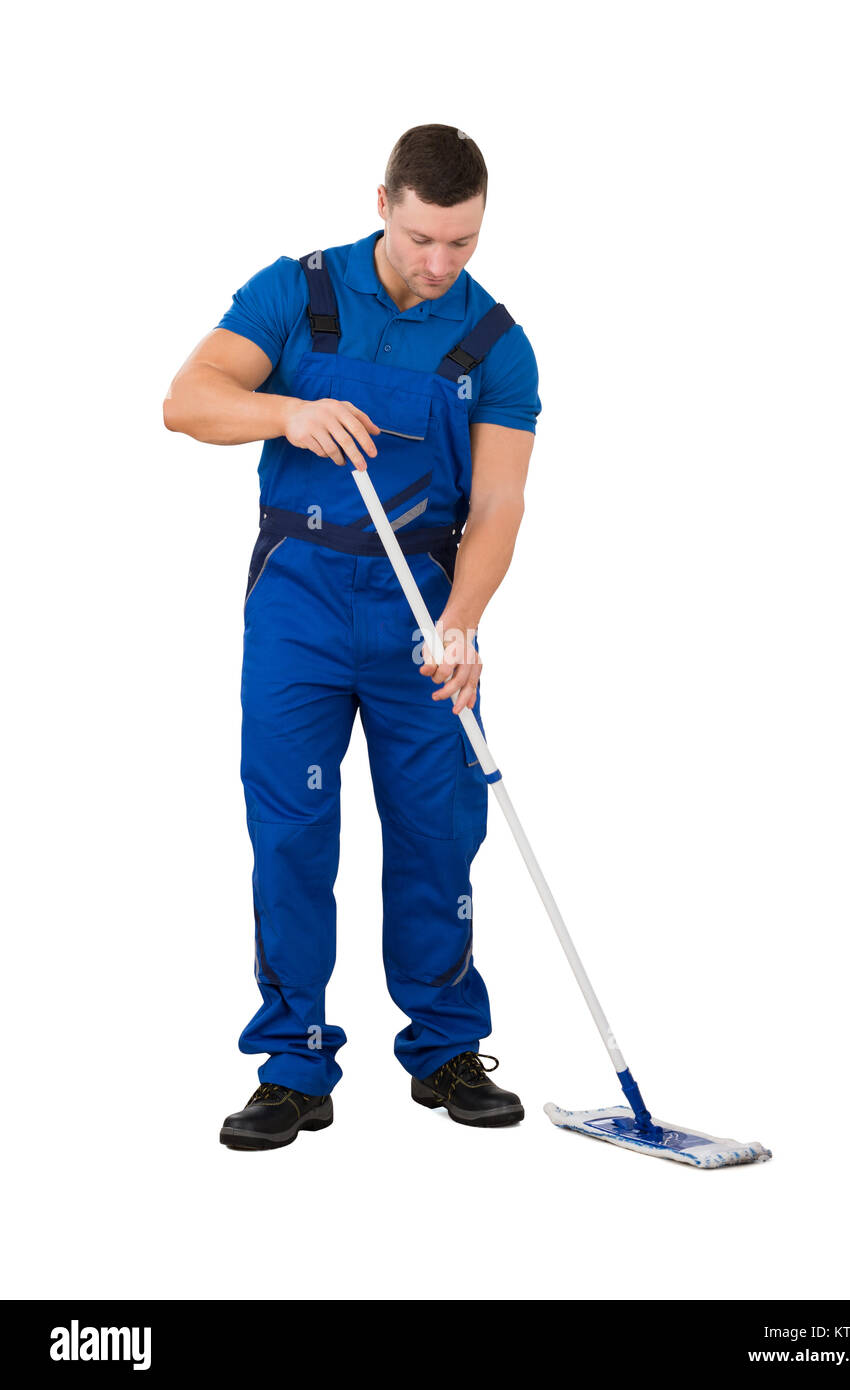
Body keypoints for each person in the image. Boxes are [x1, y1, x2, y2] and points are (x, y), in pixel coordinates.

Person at [163, 124, 541, 1150]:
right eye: (423, 237)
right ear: (384, 202)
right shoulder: (299, 292)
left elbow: (500, 502)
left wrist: (462, 622)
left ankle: (447, 1047)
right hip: (301, 597)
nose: (439, 264)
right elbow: (187, 400)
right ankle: (294, 1062)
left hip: (423, 598)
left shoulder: (495, 342)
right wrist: (288, 412)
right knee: (291, 827)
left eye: (461, 242)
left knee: (437, 829)